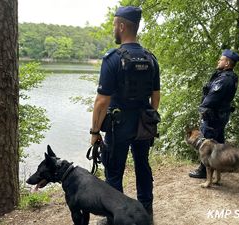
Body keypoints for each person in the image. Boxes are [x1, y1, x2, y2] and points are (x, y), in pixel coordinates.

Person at [90, 6, 160, 225]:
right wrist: (150, 118)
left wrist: (94, 132)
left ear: (121, 26)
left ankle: (114, 216)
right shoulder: (151, 58)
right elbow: (155, 96)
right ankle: (146, 210)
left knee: (113, 171)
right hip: (143, 124)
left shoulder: (113, 58)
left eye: (114, 25)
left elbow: (102, 101)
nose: (113, 29)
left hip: (118, 125)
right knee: (142, 165)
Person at [189, 49, 239, 179]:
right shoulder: (230, 77)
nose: (218, 61)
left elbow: (212, 98)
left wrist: (202, 108)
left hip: (213, 116)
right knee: (219, 143)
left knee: (206, 143)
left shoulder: (224, 79)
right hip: (221, 115)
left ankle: (203, 170)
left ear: (227, 63)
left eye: (221, 59)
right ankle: (220, 166)